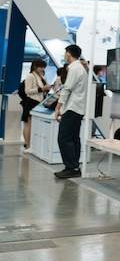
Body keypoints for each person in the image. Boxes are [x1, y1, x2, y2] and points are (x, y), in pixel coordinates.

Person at [54, 45, 88, 179]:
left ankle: (71, 167)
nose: (64, 56)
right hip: (77, 108)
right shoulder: (80, 68)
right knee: (73, 138)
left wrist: (58, 108)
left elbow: (67, 89)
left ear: (68, 54)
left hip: (72, 108)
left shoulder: (75, 68)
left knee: (64, 138)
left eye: (65, 53)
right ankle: (74, 167)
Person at [18, 58, 49, 150]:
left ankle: (31, 145)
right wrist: (41, 89)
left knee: (34, 125)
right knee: (28, 125)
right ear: (35, 67)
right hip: (30, 102)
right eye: (41, 67)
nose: (42, 69)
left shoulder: (42, 77)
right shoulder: (30, 76)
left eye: (43, 67)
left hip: (39, 103)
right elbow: (27, 91)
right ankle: (27, 145)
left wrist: (46, 89)